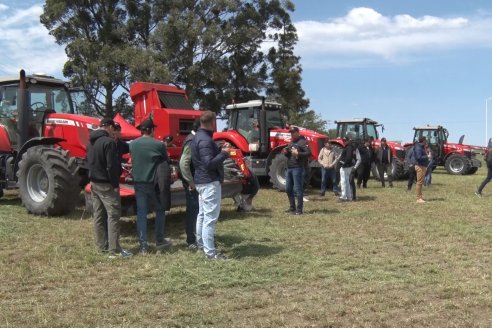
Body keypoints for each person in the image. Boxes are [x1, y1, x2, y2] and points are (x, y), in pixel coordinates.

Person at [87, 118, 132, 258]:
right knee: (113, 215)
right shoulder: (109, 142)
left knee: (99, 215)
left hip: (94, 182)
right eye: (113, 128)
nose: (114, 131)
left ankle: (102, 246)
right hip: (106, 184)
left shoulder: (91, 141)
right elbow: (111, 166)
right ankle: (115, 250)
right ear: (110, 127)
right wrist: (115, 184)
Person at [192, 111, 231, 260]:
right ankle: (210, 253)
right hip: (209, 182)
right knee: (210, 218)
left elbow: (205, 158)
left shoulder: (199, 137)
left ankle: (202, 245)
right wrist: (224, 153)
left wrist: (219, 148)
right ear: (212, 122)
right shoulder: (206, 140)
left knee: (202, 215)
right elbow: (209, 163)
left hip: (201, 182)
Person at [129, 118, 171, 254]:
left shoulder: (133, 144)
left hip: (139, 182)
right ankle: (159, 240)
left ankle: (143, 246)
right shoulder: (159, 145)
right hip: (154, 183)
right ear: (152, 130)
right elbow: (165, 161)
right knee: (160, 210)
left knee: (141, 213)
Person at [179, 119, 200, 250]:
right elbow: (183, 163)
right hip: (191, 183)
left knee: (196, 210)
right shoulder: (191, 141)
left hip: (193, 181)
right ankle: (191, 240)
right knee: (193, 210)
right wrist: (190, 182)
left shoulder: (192, 139)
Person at [282, 126, 311, 215]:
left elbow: (308, 153)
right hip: (290, 168)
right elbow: (289, 155)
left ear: (298, 132)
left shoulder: (302, 141)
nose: (292, 134)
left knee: (298, 189)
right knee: (288, 188)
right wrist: (286, 152)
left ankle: (299, 210)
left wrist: (299, 153)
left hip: (298, 168)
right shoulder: (291, 142)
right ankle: (292, 208)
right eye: (291, 132)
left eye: (293, 132)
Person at [414, 136, 429, 203]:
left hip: (422, 166)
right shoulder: (418, 147)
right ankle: (418, 198)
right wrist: (427, 156)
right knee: (419, 182)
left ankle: (420, 196)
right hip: (420, 166)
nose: (426, 141)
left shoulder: (421, 147)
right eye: (425, 140)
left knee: (420, 182)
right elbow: (418, 157)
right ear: (423, 140)